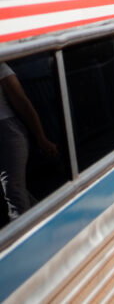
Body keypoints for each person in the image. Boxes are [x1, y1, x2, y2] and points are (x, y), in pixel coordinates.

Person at [0, 62, 58, 221]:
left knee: (13, 188)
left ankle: (24, 239)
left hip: (9, 133)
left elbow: (22, 103)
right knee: (16, 189)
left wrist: (41, 138)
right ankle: (44, 221)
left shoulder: (2, 67)